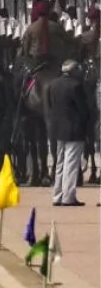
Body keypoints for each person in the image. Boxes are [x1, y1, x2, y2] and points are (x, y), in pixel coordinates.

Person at [45, 60, 91, 207]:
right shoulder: (76, 86)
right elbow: (83, 110)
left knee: (59, 163)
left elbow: (50, 107)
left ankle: (57, 195)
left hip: (57, 129)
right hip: (74, 129)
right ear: (74, 71)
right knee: (71, 164)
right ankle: (68, 197)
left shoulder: (52, 84)